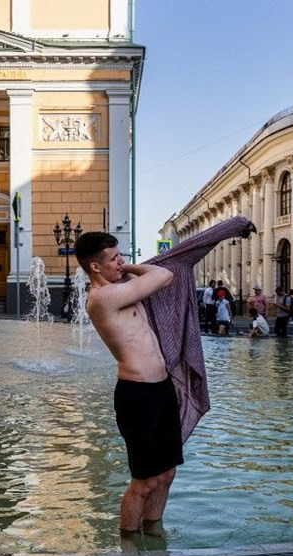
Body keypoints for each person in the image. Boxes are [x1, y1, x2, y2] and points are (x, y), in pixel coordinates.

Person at [76, 216, 255, 538]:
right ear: (95, 267)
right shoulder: (102, 299)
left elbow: (165, 273)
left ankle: (154, 533)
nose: (123, 262)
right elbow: (163, 274)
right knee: (144, 481)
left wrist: (124, 269)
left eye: (123, 257)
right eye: (115, 259)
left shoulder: (121, 290)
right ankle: (129, 545)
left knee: (167, 473)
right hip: (137, 395)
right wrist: (132, 269)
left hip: (161, 389)